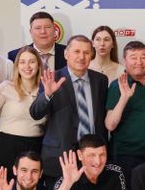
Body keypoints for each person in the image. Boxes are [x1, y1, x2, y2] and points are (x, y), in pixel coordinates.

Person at [31, 35, 109, 177]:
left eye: (86, 52)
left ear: (92, 55)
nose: (82, 57)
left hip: (93, 157)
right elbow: (36, 113)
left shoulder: (101, 80)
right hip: (59, 156)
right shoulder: (52, 78)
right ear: (66, 54)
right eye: (77, 51)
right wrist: (47, 94)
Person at [105, 41, 145, 177]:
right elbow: (110, 125)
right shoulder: (118, 85)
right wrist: (124, 97)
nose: (139, 62)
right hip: (127, 155)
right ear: (124, 61)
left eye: (143, 57)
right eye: (133, 57)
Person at [0, 46, 47, 179]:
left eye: (32, 61)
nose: (27, 66)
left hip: (35, 146)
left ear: (39, 65)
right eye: (22, 62)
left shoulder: (45, 90)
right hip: (7, 145)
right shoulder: (6, 87)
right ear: (17, 66)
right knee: (5, 188)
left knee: (30, 187)